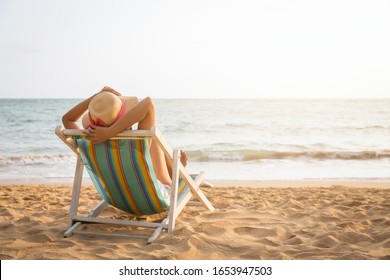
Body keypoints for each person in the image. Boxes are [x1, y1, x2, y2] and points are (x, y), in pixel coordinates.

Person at [62, 86, 188, 205]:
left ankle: (176, 169)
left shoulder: (87, 140)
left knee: (151, 143)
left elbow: (67, 119)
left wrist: (95, 97)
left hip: (121, 200)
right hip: (156, 199)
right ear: (124, 118)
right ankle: (177, 173)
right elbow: (148, 103)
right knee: (154, 139)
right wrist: (110, 132)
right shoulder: (136, 144)